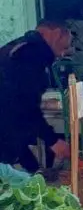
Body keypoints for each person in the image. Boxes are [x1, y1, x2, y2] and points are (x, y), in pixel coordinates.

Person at [0, 22, 72, 172]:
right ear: (56, 33)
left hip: (8, 134)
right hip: (6, 136)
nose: (62, 54)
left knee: (30, 173)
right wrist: (53, 141)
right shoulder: (31, 55)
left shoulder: (17, 47)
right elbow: (25, 106)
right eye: (64, 48)